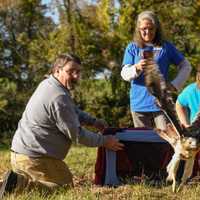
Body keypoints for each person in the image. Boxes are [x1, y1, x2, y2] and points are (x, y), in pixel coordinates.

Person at [0, 54, 124, 198]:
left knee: (64, 178)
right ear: (57, 70)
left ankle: (6, 182)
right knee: (64, 187)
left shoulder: (49, 84)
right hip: (32, 159)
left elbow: (72, 111)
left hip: (22, 154)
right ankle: (19, 184)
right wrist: (104, 141)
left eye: (78, 72)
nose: (76, 76)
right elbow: (77, 135)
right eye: (71, 71)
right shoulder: (58, 96)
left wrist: (93, 121)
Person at [121, 10, 191, 130]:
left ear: (156, 29)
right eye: (144, 28)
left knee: (166, 142)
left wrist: (174, 85)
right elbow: (124, 74)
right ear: (138, 29)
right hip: (139, 105)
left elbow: (186, 66)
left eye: (151, 28)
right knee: (143, 143)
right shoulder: (132, 47)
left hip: (161, 104)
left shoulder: (166, 47)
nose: (147, 32)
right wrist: (136, 68)